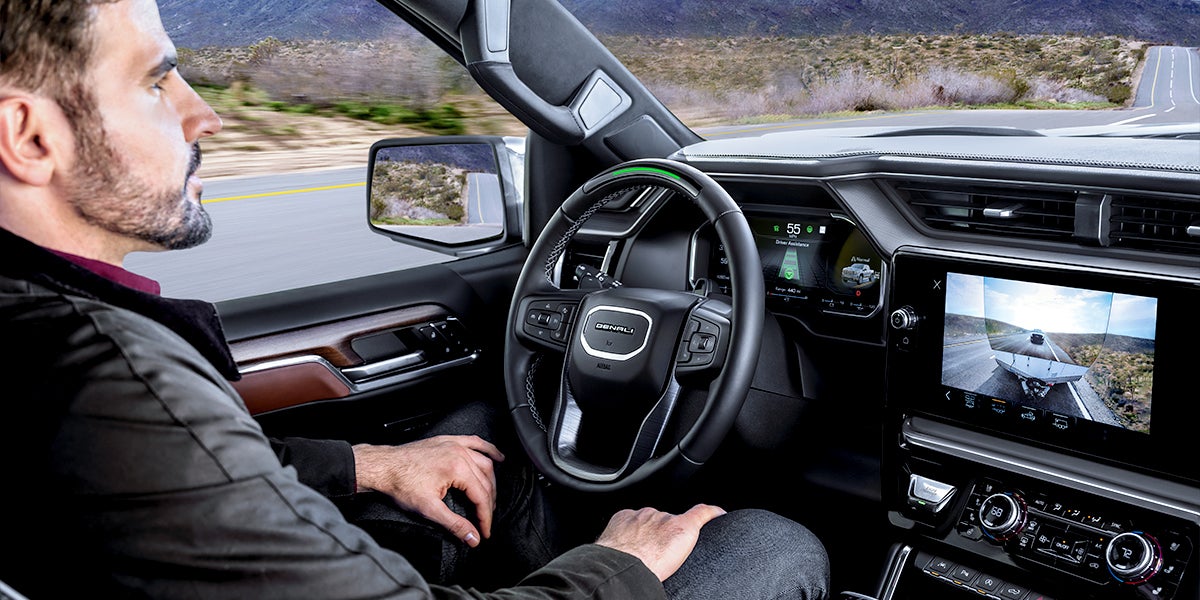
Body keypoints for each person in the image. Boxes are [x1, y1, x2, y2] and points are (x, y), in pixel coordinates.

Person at [0, 1, 832, 598]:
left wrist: (369, 464)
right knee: (769, 543)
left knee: (475, 441)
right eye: (156, 83)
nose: (203, 115)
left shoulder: (44, 334)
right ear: (30, 136)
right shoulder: (109, 381)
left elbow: (193, 484)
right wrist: (620, 565)